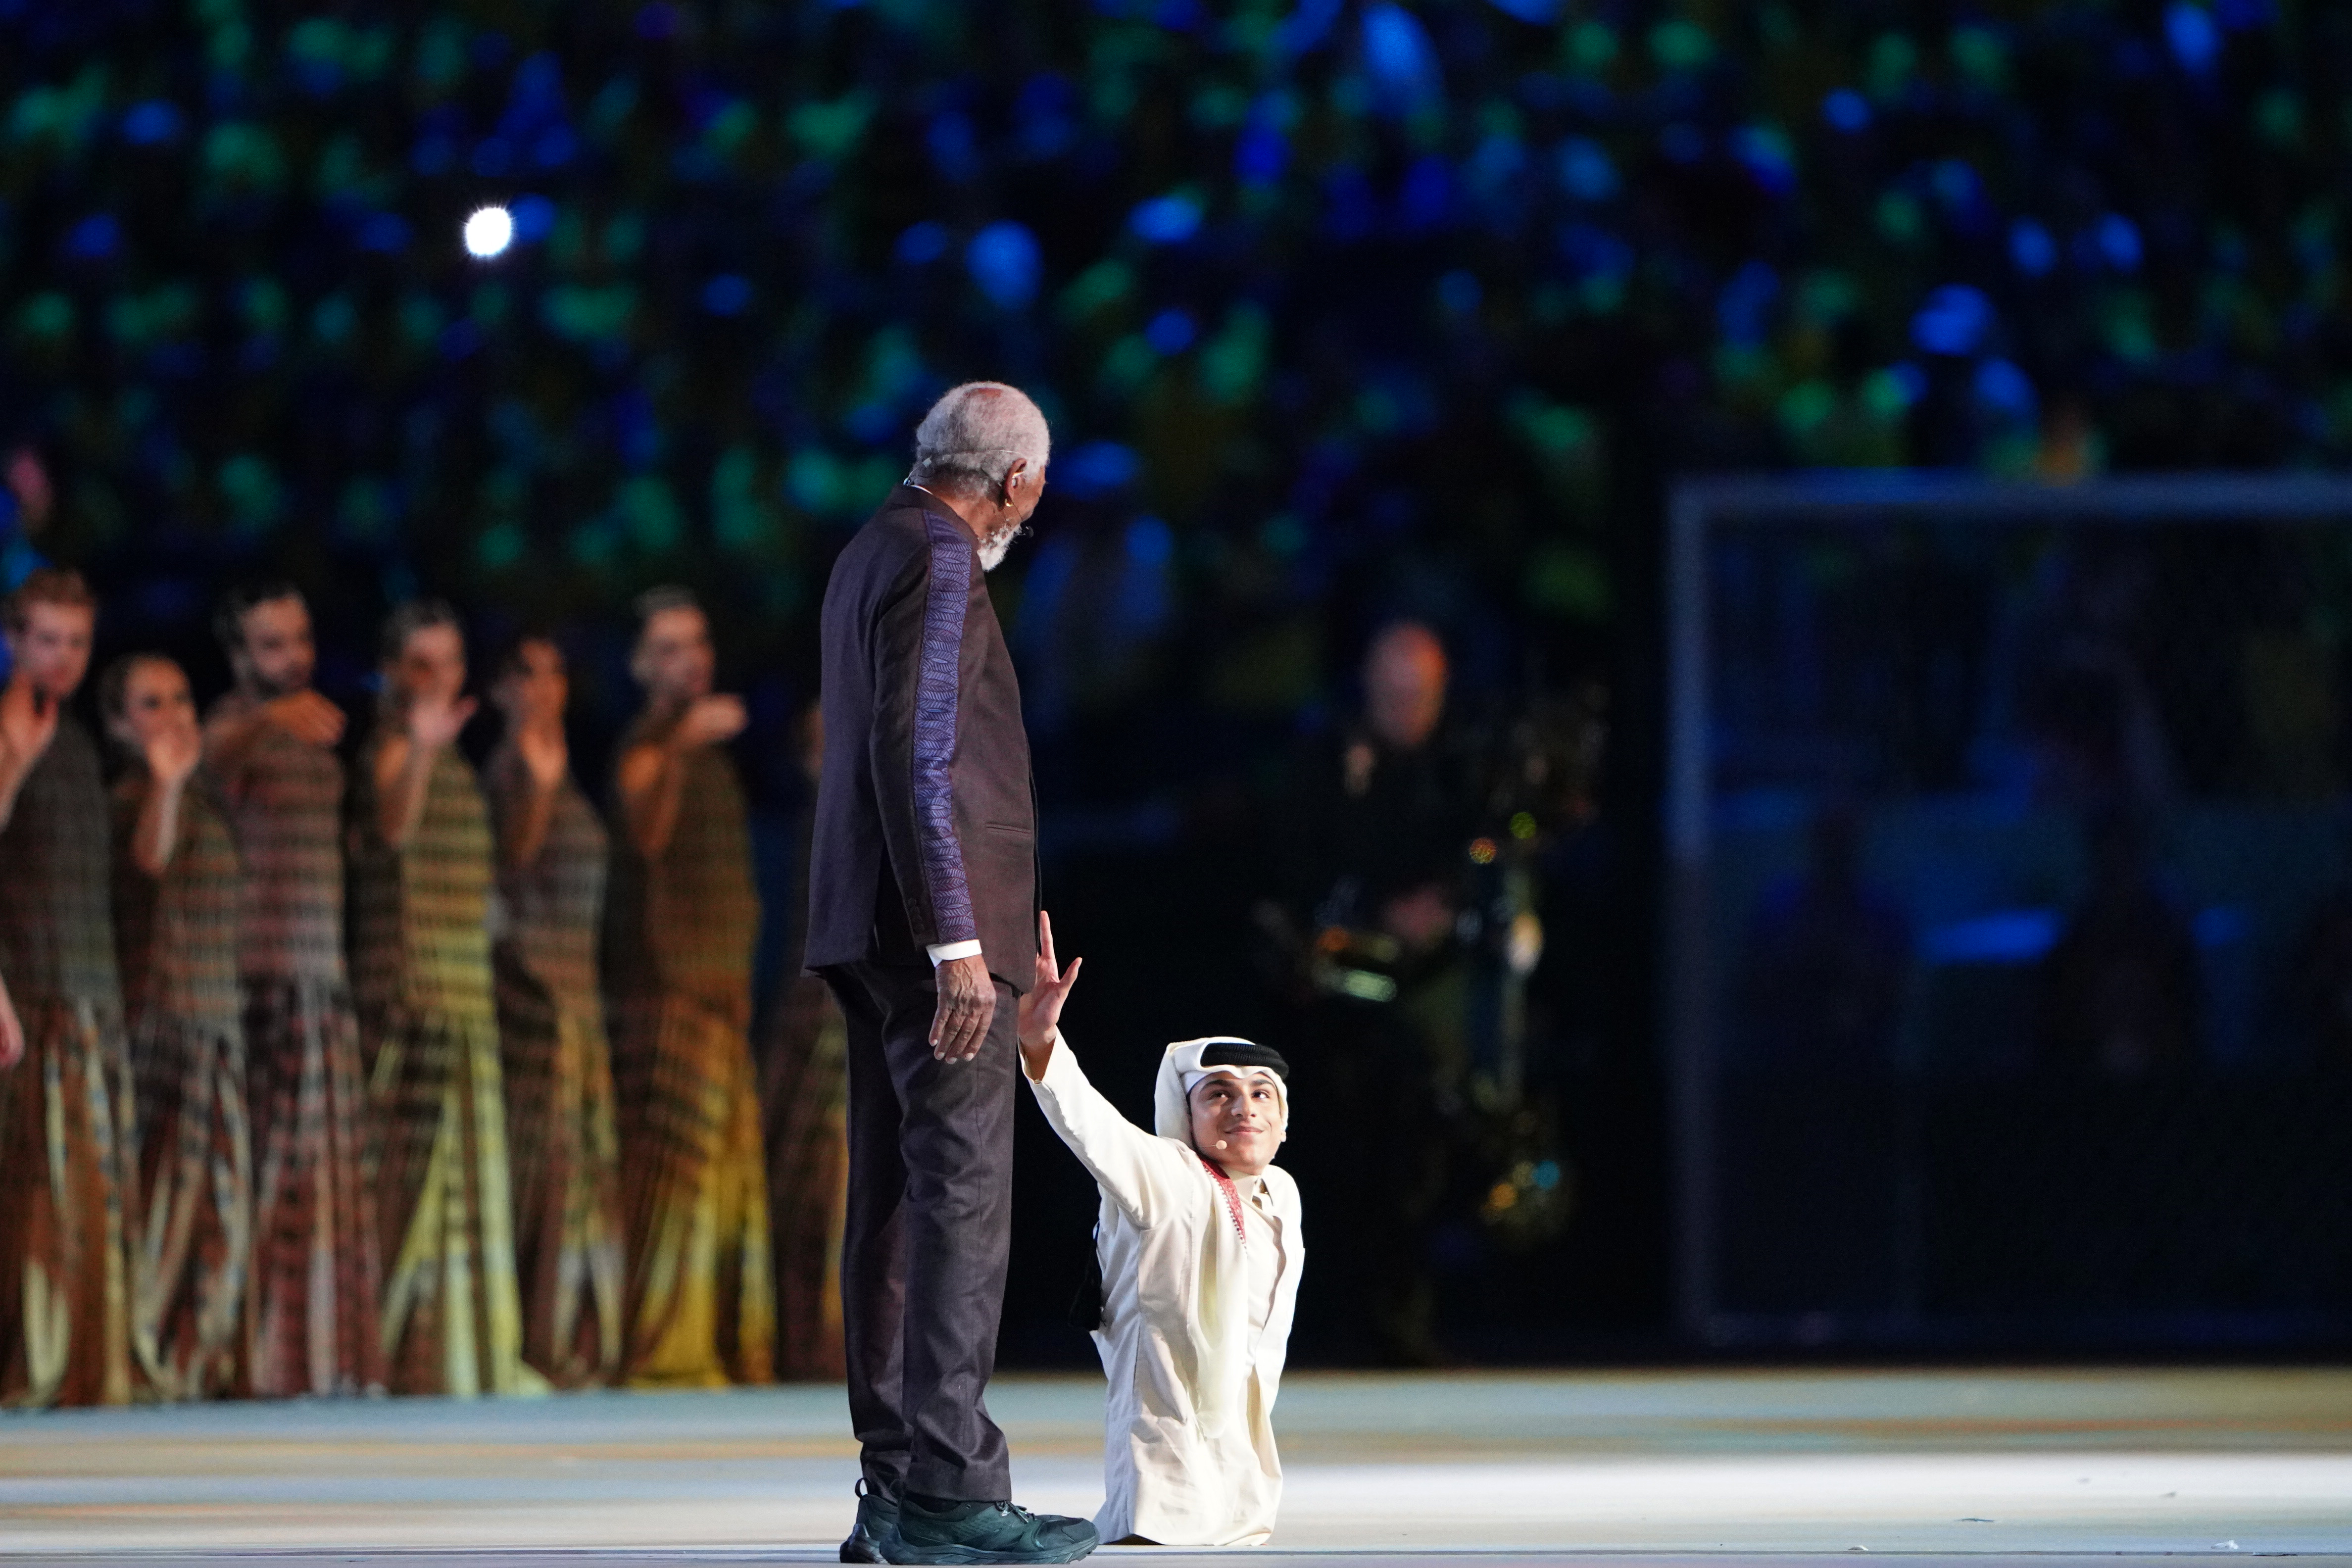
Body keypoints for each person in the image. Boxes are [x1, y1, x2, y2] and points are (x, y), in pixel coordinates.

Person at [806, 382, 1095, 1565]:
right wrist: (956, 941)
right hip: (927, 943)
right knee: (959, 1199)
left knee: (890, 1199)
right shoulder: (938, 558)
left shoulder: (871, 543)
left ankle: (896, 1483)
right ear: (1016, 482)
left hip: (864, 929)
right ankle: (947, 1486)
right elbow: (916, 752)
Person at [1016, 914, 1302, 1547]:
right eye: (1219, 1095)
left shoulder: (1282, 1192)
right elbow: (1090, 1124)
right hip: (1163, 1419)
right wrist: (1041, 1042)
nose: (1243, 1109)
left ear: (1283, 1119)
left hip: (1240, 1433)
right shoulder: (1167, 1172)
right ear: (1187, 1114)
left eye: (1261, 1095)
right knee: (1163, 1501)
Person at [1268, 619, 1476, 1365]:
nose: (1406, 715)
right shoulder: (1329, 763)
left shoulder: (1459, 769)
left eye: (1418, 699)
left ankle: (1409, 1313)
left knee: (1427, 1142)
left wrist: (1445, 906)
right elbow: (1298, 878)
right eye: (1393, 698)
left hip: (1436, 992)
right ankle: (1342, 1320)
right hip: (1342, 1004)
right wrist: (1374, 918)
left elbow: (1488, 861)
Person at [350, 600, 535, 1396]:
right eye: (420, 663)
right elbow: (391, 831)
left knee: (464, 1185)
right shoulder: (393, 745)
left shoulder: (456, 759)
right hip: (411, 989)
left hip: (463, 991)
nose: (438, 678)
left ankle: (460, 1352)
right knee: (411, 1182)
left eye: (450, 662)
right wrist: (421, 750)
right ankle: (395, 1351)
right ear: (392, 671)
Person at [205, 582, 382, 1396]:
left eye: (299, 638)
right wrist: (263, 719)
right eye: (271, 644)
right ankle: (258, 1359)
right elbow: (201, 758)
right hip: (257, 985)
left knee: (324, 1185)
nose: (293, 657)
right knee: (266, 1180)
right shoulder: (234, 728)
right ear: (239, 656)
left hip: (322, 982)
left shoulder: (315, 734)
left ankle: (319, 1356)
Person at [604, 588, 774, 1387]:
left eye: (696, 642)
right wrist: (678, 742)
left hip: (717, 997)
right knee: (673, 1187)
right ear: (639, 666)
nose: (691, 660)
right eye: (668, 648)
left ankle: (706, 1340)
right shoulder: (648, 744)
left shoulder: (706, 752)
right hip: (667, 1002)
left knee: (719, 1186)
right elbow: (643, 832)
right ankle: (664, 1351)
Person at [0, 567, 139, 1406]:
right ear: (14, 639)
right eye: (46, 639)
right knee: (34, 1187)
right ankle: (37, 1359)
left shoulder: (74, 735)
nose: (62, 657)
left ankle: (80, 1362)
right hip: (31, 984)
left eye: (77, 642)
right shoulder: (13, 725)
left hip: (85, 982)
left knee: (78, 1187)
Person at [104, 654, 252, 1401]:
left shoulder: (209, 800)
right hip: (162, 1021)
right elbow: (150, 860)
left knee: (217, 1205)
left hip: (216, 1018)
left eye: (182, 699)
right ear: (120, 725)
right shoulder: (135, 794)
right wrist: (165, 781)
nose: (173, 715)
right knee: (164, 1196)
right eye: (150, 704)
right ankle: (147, 1350)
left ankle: (197, 1356)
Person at [487, 635, 624, 1388]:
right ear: (501, 691)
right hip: (535, 999)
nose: (542, 687)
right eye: (524, 673)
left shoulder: (558, 768)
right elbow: (507, 867)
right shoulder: (514, 769)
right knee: (543, 1173)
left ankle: (569, 1336)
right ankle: (539, 1339)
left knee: (575, 1175)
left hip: (575, 997)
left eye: (553, 671)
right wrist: (537, 791)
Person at [760, 699, 849, 1381]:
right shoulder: (815, 818)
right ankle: (815, 1343)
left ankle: (841, 1340)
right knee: (817, 1186)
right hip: (814, 1024)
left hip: (858, 1026)